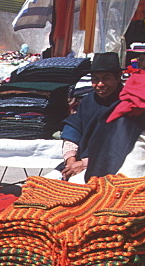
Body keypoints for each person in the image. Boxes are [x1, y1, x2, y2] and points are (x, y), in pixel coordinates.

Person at [60, 53, 139, 182]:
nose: (100, 84)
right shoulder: (88, 101)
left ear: (118, 78)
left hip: (113, 167)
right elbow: (73, 128)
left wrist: (85, 163)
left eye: (106, 78)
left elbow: (122, 146)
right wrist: (70, 159)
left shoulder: (126, 104)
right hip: (79, 163)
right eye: (95, 79)